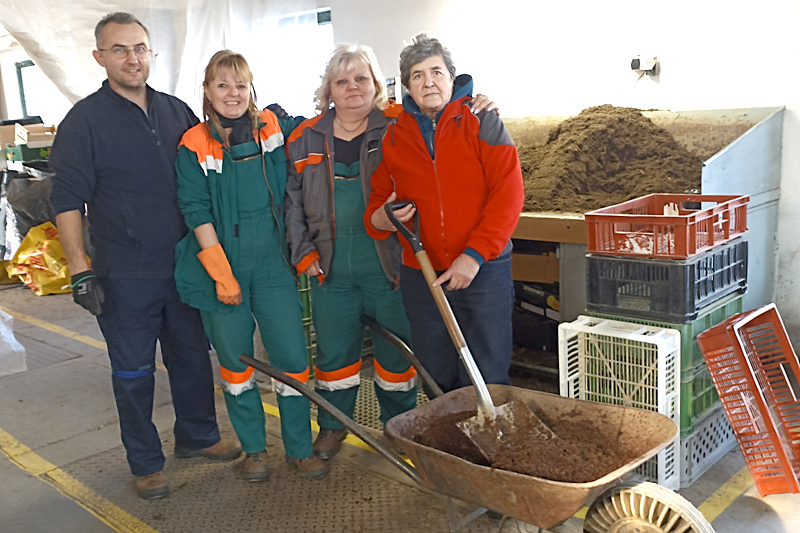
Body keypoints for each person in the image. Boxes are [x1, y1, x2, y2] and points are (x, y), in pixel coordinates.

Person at [49, 12, 241, 501]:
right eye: (120, 49)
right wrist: (79, 270)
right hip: (125, 270)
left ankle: (198, 436)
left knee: (192, 357)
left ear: (152, 53)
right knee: (133, 369)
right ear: (100, 57)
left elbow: (212, 166)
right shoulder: (83, 122)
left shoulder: (177, 111)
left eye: (140, 48)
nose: (132, 58)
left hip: (182, 264)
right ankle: (145, 461)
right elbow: (67, 201)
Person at [284, 44, 498, 458]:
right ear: (328, 89)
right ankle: (333, 427)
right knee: (334, 360)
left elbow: (444, 109)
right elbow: (291, 202)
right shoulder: (303, 137)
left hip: (392, 266)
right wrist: (302, 252)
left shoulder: (401, 126)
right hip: (330, 270)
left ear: (377, 85)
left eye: (361, 79)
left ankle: (398, 430)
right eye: (341, 81)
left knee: (397, 360)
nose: (352, 88)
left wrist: (478, 101)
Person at [173, 50, 327, 482]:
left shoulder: (273, 128)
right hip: (222, 269)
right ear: (207, 91)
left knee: (292, 359)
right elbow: (195, 210)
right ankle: (255, 451)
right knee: (237, 366)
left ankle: (299, 448)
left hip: (275, 266)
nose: (233, 93)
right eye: (222, 85)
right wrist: (223, 277)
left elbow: (330, 122)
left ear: (251, 89)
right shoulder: (193, 143)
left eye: (240, 84)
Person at [365, 33, 524, 394]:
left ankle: (488, 447)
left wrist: (473, 256)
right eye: (417, 76)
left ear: (452, 78)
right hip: (422, 274)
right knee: (436, 375)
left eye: (436, 71)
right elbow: (377, 204)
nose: (429, 82)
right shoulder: (395, 137)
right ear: (407, 86)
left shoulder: (482, 122)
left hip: (483, 270)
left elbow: (509, 193)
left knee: (488, 374)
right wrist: (381, 219)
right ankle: (447, 447)